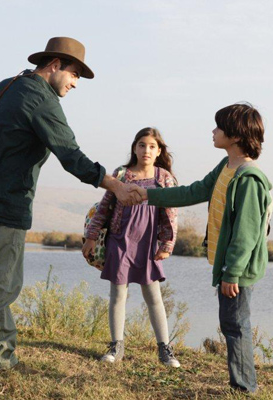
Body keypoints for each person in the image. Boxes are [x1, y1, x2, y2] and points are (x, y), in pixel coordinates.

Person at [0, 37, 140, 372]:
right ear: (54, 65)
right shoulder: (41, 99)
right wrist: (114, 183)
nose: (75, 83)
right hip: (5, 204)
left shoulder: (5, 86)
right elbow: (70, 154)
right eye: (74, 74)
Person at [130, 103, 273, 392]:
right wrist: (147, 194)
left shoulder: (248, 178)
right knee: (231, 323)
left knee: (235, 325)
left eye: (218, 127)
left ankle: (245, 388)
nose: (213, 131)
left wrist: (232, 272)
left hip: (237, 269)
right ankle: (242, 385)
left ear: (234, 135)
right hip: (228, 266)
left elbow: (246, 233)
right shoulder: (227, 167)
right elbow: (194, 191)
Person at [82, 127, 181, 368]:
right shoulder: (122, 174)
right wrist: (91, 236)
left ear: (159, 151)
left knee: (154, 297)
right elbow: (105, 206)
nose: (146, 150)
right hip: (120, 241)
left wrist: (167, 243)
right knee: (118, 296)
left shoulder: (164, 177)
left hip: (148, 245)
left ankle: (165, 349)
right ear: (134, 148)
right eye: (141, 145)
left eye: (151, 146)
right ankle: (116, 346)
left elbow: (171, 213)